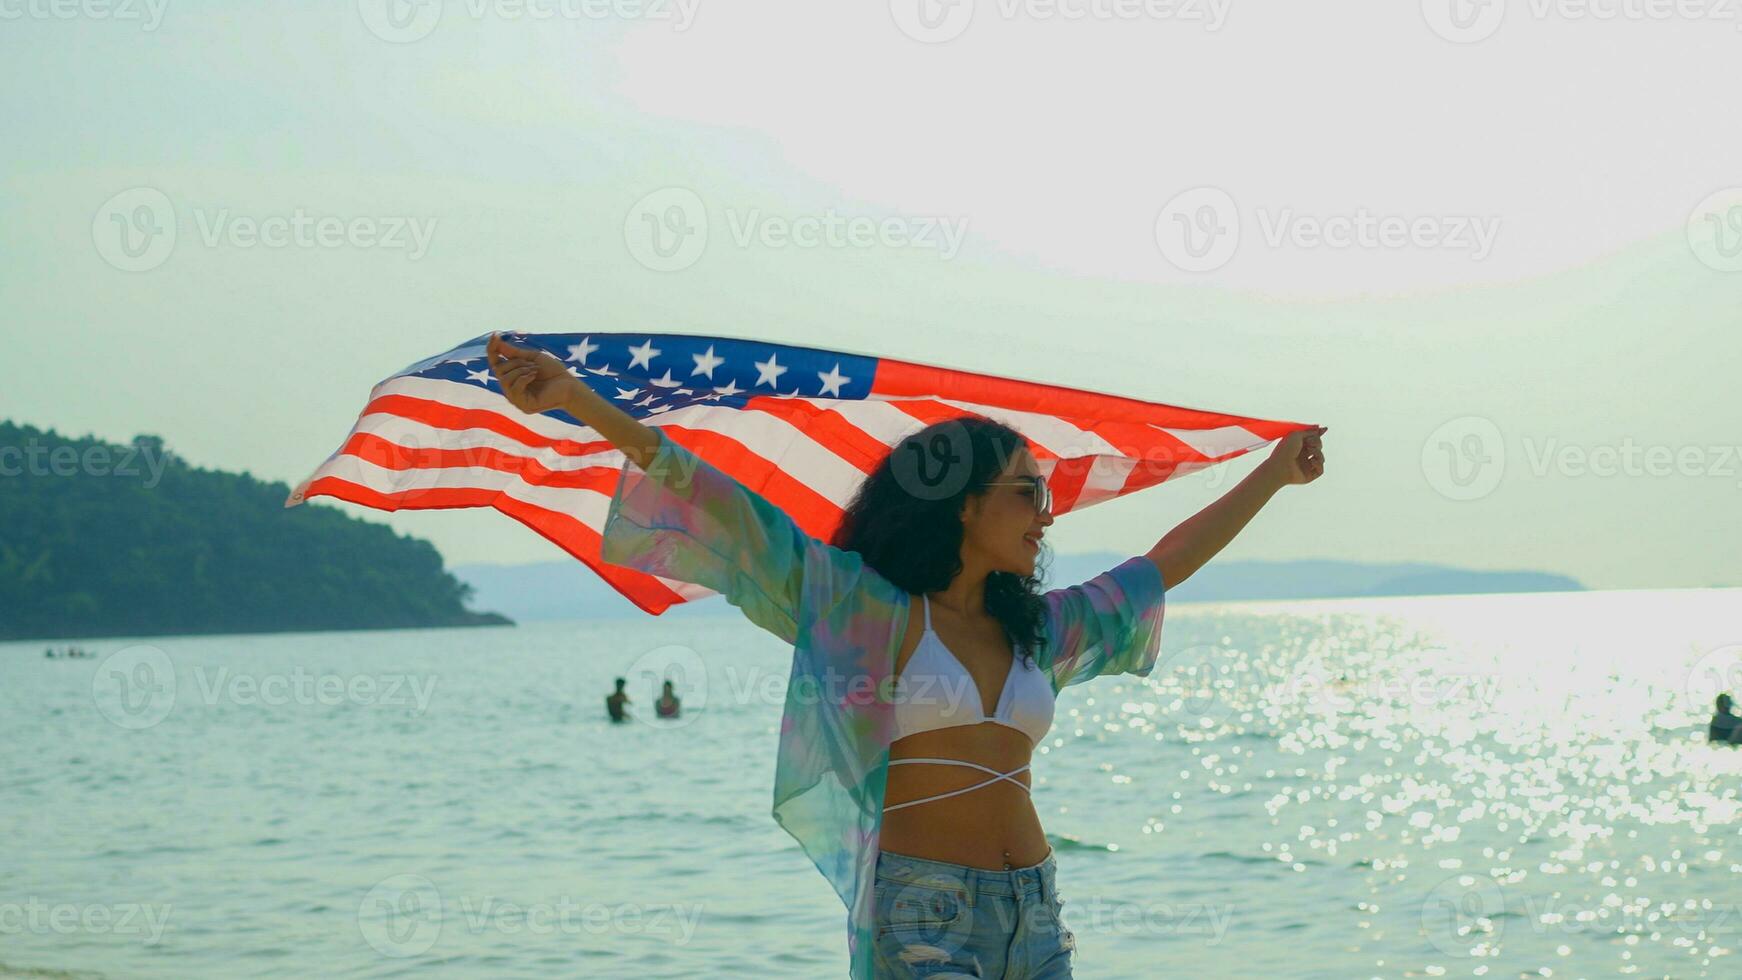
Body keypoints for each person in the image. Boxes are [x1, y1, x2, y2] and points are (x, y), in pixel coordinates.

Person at [487, 333, 1327, 979]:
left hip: (1033, 909)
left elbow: (1162, 563)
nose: (1045, 512)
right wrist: (577, 401)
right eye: (1027, 491)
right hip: (923, 909)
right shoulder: (868, 610)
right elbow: (714, 499)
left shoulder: (1038, 629)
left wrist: (1274, 474)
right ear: (963, 507)